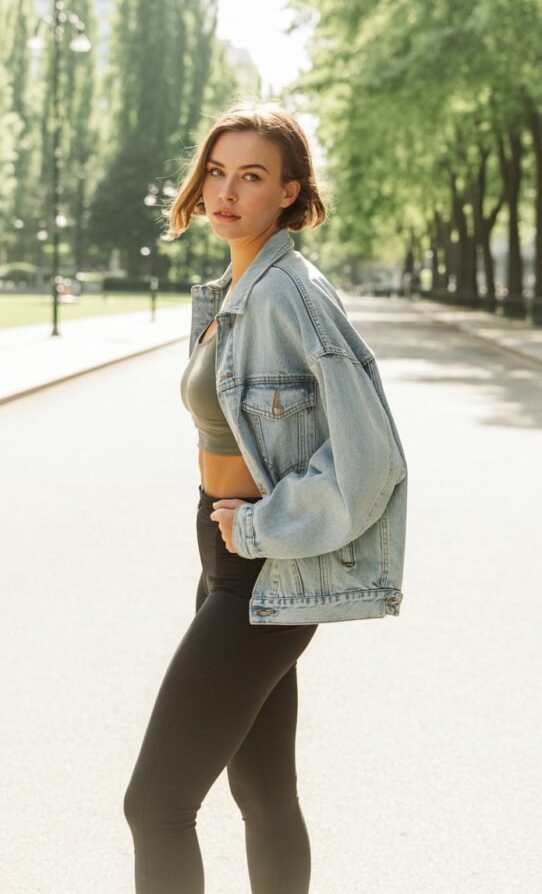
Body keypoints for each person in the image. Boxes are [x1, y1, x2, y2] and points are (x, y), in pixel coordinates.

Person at [123, 101, 408, 894]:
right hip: (228, 556)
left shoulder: (293, 295)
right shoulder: (235, 288)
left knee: (155, 804)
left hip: (260, 565)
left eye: (251, 176)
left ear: (289, 192)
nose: (226, 190)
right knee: (263, 791)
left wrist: (261, 526)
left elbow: (370, 459)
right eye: (216, 171)